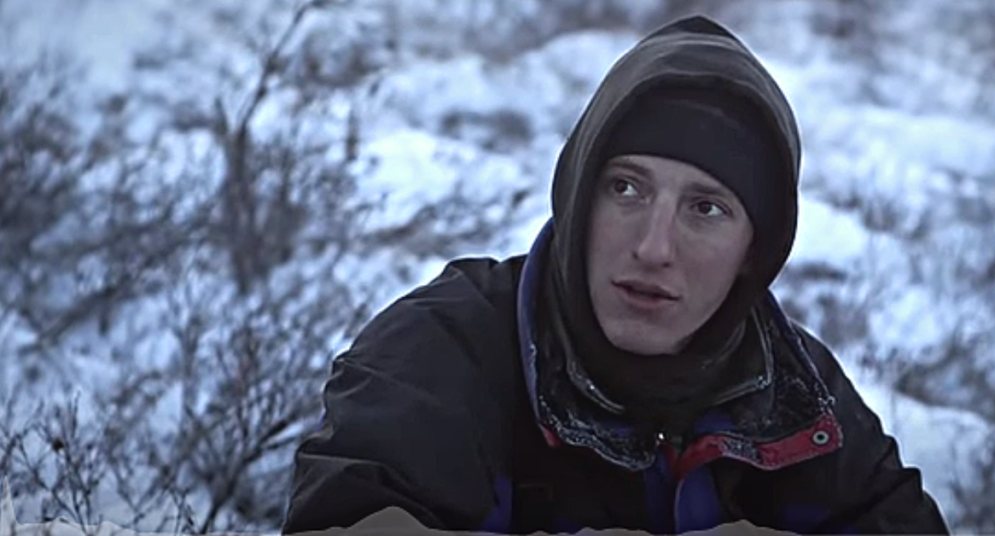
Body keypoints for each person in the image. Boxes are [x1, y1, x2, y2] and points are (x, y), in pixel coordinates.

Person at [282, 15, 949, 535]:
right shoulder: (444, 348)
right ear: (578, 198)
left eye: (706, 208)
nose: (654, 248)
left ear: (756, 249)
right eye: (626, 188)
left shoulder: (795, 396)